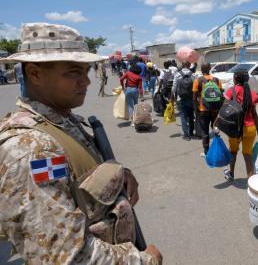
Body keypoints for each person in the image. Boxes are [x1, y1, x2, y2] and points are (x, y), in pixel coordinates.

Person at [0, 23, 161, 264]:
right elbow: (64, 256)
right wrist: (144, 260)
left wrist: (116, 177)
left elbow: (77, 177)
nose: (86, 81)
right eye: (74, 72)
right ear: (34, 74)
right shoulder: (33, 149)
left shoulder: (62, 121)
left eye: (86, 71)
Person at [223, 69, 258, 180]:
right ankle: (250, 179)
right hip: (250, 128)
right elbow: (255, 114)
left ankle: (231, 173)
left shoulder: (231, 91)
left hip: (235, 129)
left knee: (233, 152)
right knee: (247, 154)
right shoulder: (253, 94)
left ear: (235, 78)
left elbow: (224, 110)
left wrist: (218, 125)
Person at [192, 62, 223, 156]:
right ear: (209, 69)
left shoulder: (198, 80)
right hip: (215, 110)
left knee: (205, 132)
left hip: (203, 110)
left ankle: (207, 152)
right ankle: (217, 150)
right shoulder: (217, 80)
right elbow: (221, 96)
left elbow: (194, 98)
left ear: (201, 70)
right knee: (216, 130)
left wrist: (196, 110)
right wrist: (219, 110)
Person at [171, 61, 195, 141]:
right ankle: (191, 132)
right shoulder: (193, 74)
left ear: (182, 65)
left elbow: (173, 89)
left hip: (180, 99)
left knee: (183, 117)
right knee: (191, 115)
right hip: (191, 98)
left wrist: (172, 101)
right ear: (189, 65)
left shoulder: (177, 74)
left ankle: (186, 135)